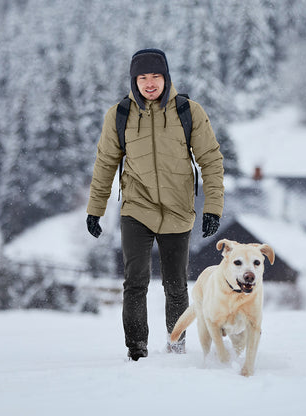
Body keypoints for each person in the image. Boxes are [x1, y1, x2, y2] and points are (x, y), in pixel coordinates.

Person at [86, 48, 224, 361]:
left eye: (156, 76)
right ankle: (137, 352)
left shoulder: (188, 111)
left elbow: (211, 160)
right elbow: (105, 162)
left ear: (166, 78)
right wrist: (95, 209)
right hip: (136, 207)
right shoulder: (119, 115)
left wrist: (213, 207)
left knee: (176, 285)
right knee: (135, 282)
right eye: (143, 77)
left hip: (178, 209)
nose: (150, 83)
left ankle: (176, 348)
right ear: (134, 81)